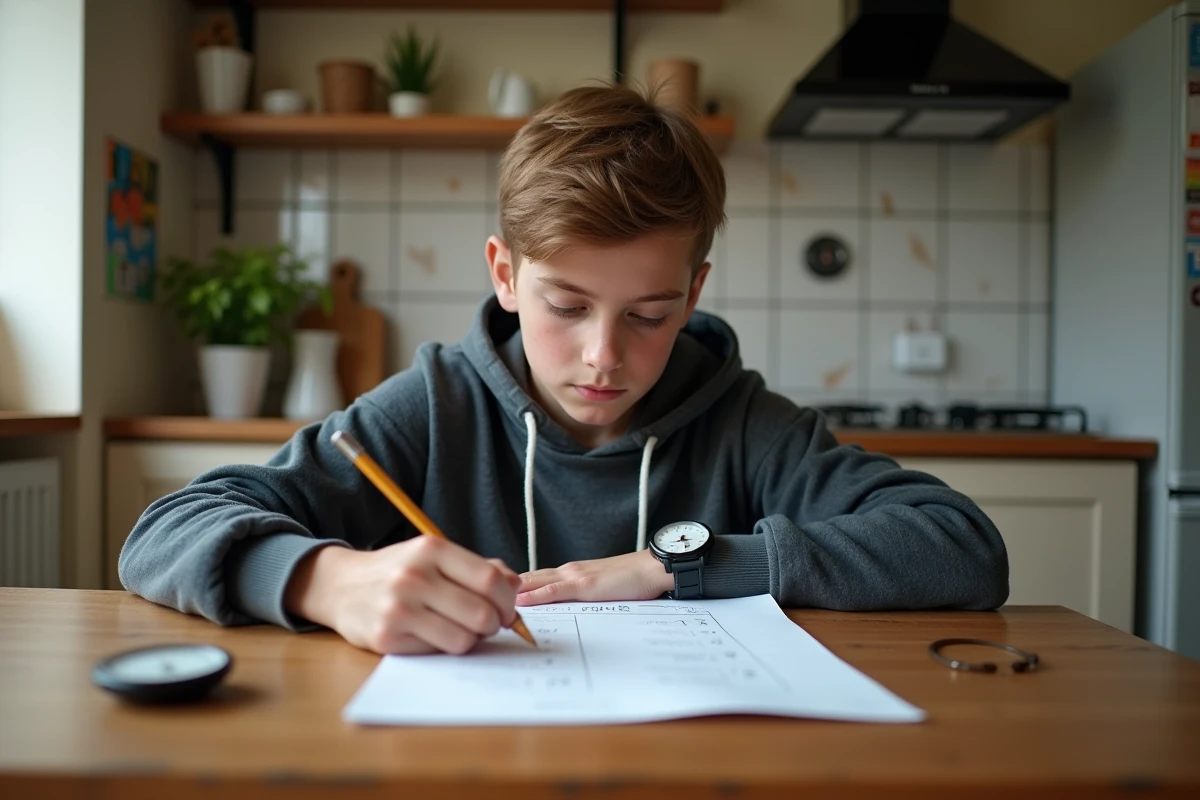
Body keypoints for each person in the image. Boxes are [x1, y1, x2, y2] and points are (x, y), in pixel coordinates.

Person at [119, 83, 1008, 656]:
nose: (602, 355)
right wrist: (329, 580)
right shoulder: (434, 406)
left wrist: (678, 566)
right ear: (505, 274)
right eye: (567, 306)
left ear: (693, 294)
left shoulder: (744, 423)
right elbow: (162, 532)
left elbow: (962, 548)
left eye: (650, 315)